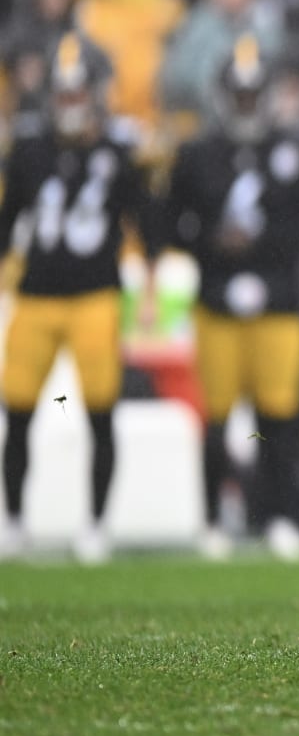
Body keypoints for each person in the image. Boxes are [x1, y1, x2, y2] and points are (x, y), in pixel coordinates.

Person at [159, 37, 299, 560]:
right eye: (240, 94)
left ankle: (279, 517)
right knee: (215, 417)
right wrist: (213, 243)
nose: (248, 103)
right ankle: (213, 519)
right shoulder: (196, 153)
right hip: (215, 302)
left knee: (279, 417)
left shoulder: (294, 149)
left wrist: (260, 244)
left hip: (279, 302)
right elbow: (170, 222)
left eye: (255, 94)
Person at [0, 34, 151, 563]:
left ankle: (95, 524)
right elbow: (8, 219)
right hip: (37, 295)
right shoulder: (30, 149)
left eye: (76, 95)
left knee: (100, 412)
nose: (69, 105)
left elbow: (144, 219)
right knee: (16, 409)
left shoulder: (116, 151)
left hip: (94, 296)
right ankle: (14, 519)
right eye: (62, 96)